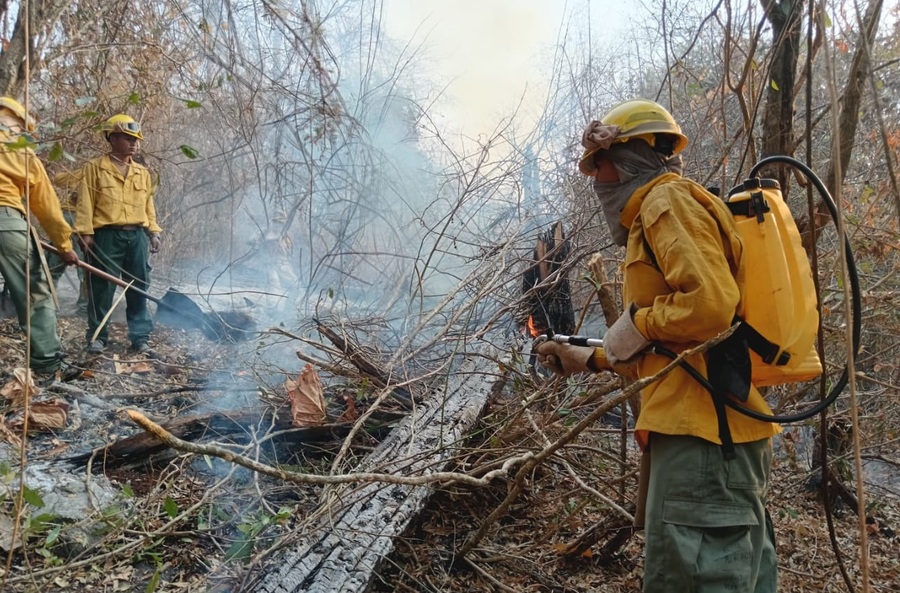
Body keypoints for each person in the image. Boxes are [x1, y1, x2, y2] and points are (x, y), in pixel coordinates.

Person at [535, 98, 780, 592]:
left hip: (704, 448)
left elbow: (710, 306)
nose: (596, 180)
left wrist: (635, 325)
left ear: (630, 158)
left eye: (598, 165)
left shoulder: (665, 201)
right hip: (702, 440)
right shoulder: (661, 211)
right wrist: (590, 356)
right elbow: (677, 353)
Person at [0, 96, 79, 378]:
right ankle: (47, 365)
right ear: (20, 123)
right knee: (35, 295)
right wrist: (64, 245)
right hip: (6, 221)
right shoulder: (20, 149)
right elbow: (46, 206)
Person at [74, 114, 162, 356]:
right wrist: (85, 232)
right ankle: (97, 337)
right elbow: (85, 202)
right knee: (101, 287)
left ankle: (140, 338)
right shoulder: (94, 168)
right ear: (112, 138)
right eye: (127, 138)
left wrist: (153, 232)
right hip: (106, 236)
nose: (134, 143)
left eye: (136, 139)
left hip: (137, 237)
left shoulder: (142, 172)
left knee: (138, 286)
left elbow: (148, 206)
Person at [47, 165, 88, 313]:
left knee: (55, 266)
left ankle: (47, 304)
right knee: (84, 267)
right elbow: (59, 180)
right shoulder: (92, 169)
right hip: (77, 219)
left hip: (73, 218)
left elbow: (60, 180)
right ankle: (83, 307)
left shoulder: (89, 169)